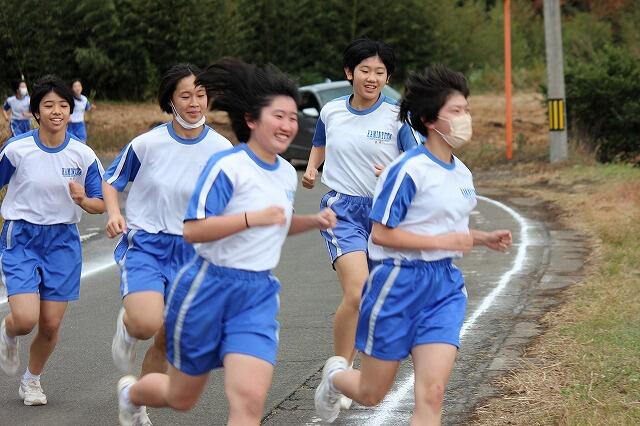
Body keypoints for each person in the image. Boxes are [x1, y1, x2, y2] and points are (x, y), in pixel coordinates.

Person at [115, 58, 337, 426]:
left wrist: (312, 221)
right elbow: (194, 230)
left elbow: (274, 225)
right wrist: (250, 218)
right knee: (181, 397)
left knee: (249, 402)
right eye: (278, 116)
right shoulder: (227, 166)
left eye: (292, 117)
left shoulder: (285, 173)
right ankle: (132, 394)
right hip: (208, 288)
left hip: (256, 294)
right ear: (251, 120)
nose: (287, 125)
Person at [314, 64, 513, 424]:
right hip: (397, 284)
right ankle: (335, 376)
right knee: (371, 393)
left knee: (432, 393)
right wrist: (443, 240)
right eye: (456, 110)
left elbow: (449, 229)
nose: (465, 118)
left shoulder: (462, 173)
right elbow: (381, 234)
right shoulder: (406, 170)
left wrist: (482, 237)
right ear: (429, 119)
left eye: (466, 109)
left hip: (444, 288)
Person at [301, 38, 419, 408]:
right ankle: (340, 369)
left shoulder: (398, 116)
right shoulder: (331, 111)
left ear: (388, 78)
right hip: (342, 211)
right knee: (357, 291)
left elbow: (418, 162)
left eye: (380, 72)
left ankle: (349, 375)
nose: (372, 78)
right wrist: (311, 168)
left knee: (376, 298)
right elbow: (320, 142)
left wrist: (394, 174)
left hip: (385, 215)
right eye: (365, 70)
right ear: (349, 72)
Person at [103, 64, 233, 388]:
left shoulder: (222, 150)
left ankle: (138, 400)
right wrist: (113, 213)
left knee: (168, 339)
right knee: (146, 324)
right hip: (148, 244)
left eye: (200, 95)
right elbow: (111, 179)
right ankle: (129, 327)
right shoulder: (148, 143)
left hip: (193, 252)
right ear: (170, 100)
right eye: (185, 96)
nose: (194, 103)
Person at [0, 75, 105, 406]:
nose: (56, 111)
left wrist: (83, 200)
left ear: (71, 111)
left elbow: (101, 203)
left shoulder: (83, 154)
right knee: (25, 319)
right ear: (36, 112)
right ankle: (9, 331)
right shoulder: (16, 150)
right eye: (48, 105)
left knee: (50, 323)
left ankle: (31, 380)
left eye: (63, 105)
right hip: (22, 236)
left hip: (62, 241)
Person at [68, 79, 94, 143]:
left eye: (79, 86)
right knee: (71, 142)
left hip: (80, 124)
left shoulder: (84, 99)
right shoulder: (70, 99)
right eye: (75, 86)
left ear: (81, 87)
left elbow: (87, 108)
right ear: (72, 88)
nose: (77, 88)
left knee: (82, 142)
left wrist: (91, 106)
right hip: (70, 124)